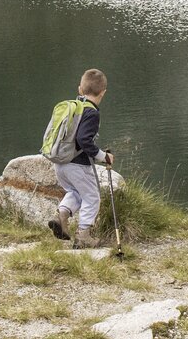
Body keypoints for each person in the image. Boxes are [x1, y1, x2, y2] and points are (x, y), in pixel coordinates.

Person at [48, 68, 114, 249]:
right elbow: (83, 139)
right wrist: (103, 156)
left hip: (60, 163)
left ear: (80, 89)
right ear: (103, 92)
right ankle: (83, 236)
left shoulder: (73, 108)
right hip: (78, 165)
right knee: (92, 197)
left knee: (76, 192)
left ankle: (61, 216)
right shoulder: (91, 113)